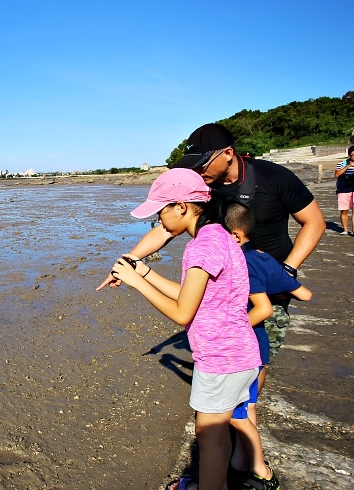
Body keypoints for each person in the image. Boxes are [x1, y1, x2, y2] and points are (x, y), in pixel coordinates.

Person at [97, 169, 261, 490]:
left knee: (210, 436)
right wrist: (146, 271)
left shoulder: (202, 246)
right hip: (235, 352)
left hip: (222, 357)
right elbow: (190, 296)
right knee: (215, 435)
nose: (158, 221)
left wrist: (138, 283)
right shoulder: (216, 235)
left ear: (183, 207)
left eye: (160, 213)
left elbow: (183, 313)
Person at [101, 123, 325, 366]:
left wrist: (288, 269)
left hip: (264, 276)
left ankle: (245, 399)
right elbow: (166, 229)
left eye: (203, 162)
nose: (198, 169)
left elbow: (314, 223)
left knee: (258, 353)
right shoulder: (202, 189)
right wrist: (130, 261)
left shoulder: (274, 177)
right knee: (227, 354)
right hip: (222, 281)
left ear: (228, 154)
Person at [223, 202, 312, 490]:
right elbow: (304, 294)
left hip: (248, 342)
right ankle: (238, 460)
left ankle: (261, 472)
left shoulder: (244, 263)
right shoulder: (264, 258)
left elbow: (261, 307)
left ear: (234, 236)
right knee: (249, 404)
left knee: (242, 409)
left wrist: (229, 328)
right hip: (264, 340)